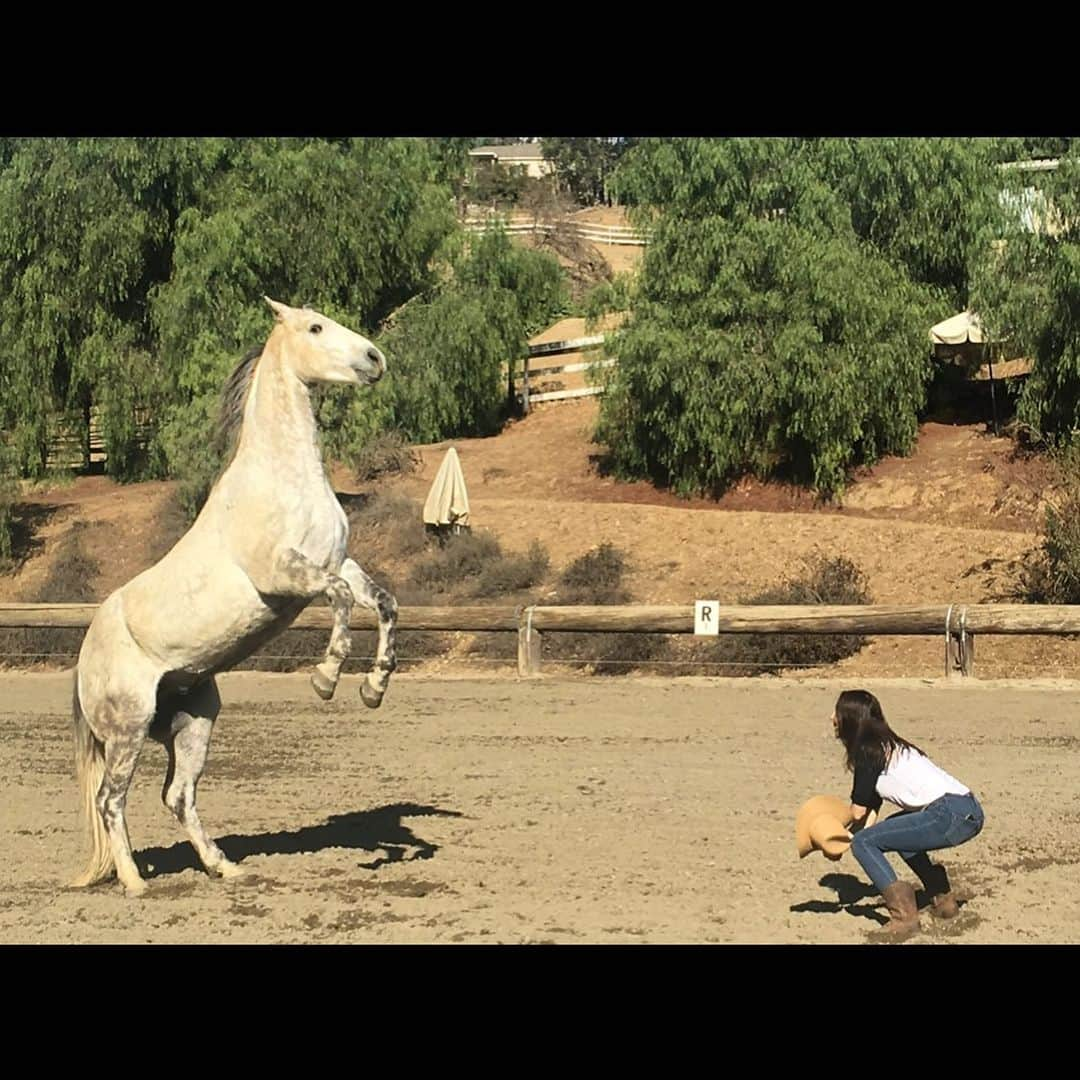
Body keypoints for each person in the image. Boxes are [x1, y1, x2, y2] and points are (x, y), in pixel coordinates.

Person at [832, 689, 985, 940]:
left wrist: (830, 833)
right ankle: (943, 899)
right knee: (893, 829)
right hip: (967, 811)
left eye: (836, 713)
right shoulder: (887, 745)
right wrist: (844, 841)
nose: (832, 718)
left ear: (850, 718)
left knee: (864, 843)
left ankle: (904, 917)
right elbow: (868, 814)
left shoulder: (868, 751)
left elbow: (857, 812)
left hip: (948, 813)